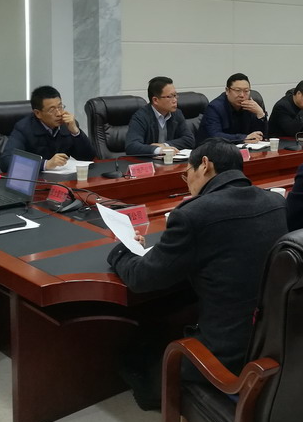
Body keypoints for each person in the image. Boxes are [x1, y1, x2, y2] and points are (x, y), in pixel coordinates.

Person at [107, 138, 287, 406]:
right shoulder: (275, 202)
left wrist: (122, 250)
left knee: (137, 365)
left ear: (204, 165)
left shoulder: (194, 214)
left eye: (187, 173)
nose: (187, 182)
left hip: (225, 353)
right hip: (272, 339)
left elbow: (142, 278)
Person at [0, 85, 95, 171]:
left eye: (60, 107)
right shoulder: (24, 128)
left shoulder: (68, 125)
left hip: (63, 181)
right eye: (52, 110)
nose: (59, 113)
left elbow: (87, 157)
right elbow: (6, 161)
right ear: (38, 113)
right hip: (36, 181)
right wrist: (45, 164)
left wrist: (76, 132)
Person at [125, 76, 195, 156]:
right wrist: (158, 150)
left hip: (171, 160)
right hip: (148, 161)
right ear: (155, 100)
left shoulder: (177, 114)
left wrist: (165, 146)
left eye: (175, 95)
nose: (175, 100)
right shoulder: (141, 117)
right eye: (170, 96)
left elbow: (189, 140)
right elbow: (131, 146)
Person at [199, 73, 268, 142]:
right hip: (215, 147)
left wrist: (260, 114)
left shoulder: (251, 106)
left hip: (246, 147)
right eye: (238, 90)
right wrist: (243, 138)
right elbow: (214, 135)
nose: (242, 95)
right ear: (227, 91)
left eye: (246, 91)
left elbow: (263, 135)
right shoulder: (214, 108)